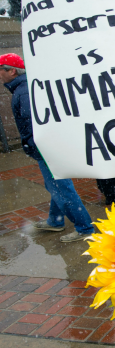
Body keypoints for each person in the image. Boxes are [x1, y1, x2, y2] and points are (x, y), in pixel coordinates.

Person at [0, 53, 94, 242]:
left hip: (46, 148)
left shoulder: (24, 91)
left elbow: (34, 124)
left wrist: (33, 145)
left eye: (0, 70)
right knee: (56, 186)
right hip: (47, 146)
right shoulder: (25, 87)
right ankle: (55, 221)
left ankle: (85, 228)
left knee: (61, 188)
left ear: (11, 71)